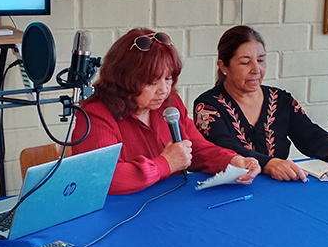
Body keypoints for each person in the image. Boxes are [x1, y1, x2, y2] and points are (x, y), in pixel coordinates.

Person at [72, 28, 261, 194]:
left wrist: (232, 161)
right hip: (119, 213)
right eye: (152, 82)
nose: (163, 90)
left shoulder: (169, 103)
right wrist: (166, 164)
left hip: (168, 203)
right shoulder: (95, 115)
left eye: (168, 78)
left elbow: (197, 149)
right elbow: (103, 178)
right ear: (123, 80)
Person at [194, 26, 328, 182]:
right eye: (245, 63)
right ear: (224, 66)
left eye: (261, 60)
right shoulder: (208, 107)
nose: (256, 69)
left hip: (278, 187)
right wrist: (269, 164)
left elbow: (310, 135)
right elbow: (226, 148)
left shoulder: (280, 99)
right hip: (232, 187)